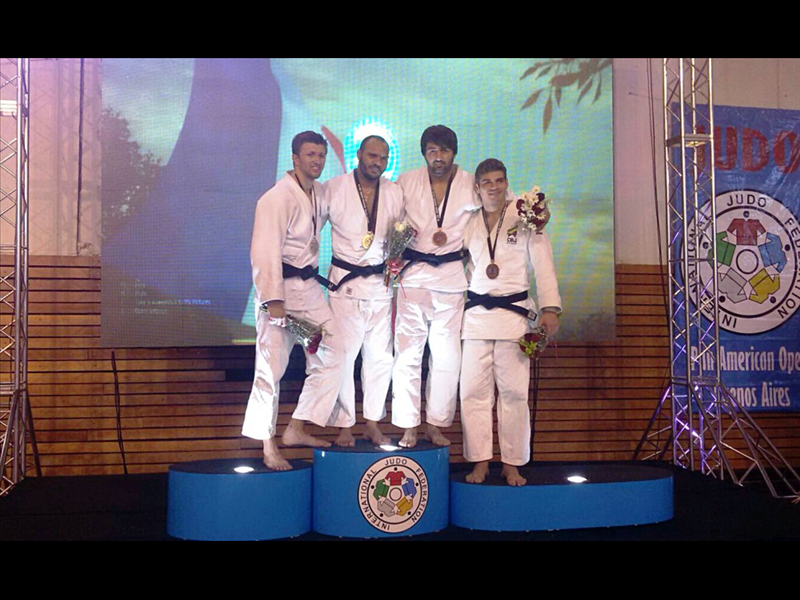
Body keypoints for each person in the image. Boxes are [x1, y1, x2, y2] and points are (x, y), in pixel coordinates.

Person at [242, 131, 344, 470]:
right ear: (295, 158)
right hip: (280, 292)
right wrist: (273, 300)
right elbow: (263, 250)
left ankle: (297, 426)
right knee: (270, 369)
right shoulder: (275, 198)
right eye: (310, 154)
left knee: (335, 351)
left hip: (309, 288)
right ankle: (267, 444)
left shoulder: (318, 193)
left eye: (321, 155)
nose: (317, 160)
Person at [460, 158, 561, 486]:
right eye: (487, 182)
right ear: (478, 188)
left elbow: (543, 263)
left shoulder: (526, 217)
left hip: (514, 316)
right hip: (476, 318)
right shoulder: (469, 222)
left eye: (499, 180)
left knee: (514, 393)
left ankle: (512, 463)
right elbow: (457, 267)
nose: (494, 187)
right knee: (472, 392)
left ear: (506, 183)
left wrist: (550, 308)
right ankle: (480, 461)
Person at [392, 125, 481, 448]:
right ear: (424, 153)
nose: (438, 157)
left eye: (444, 150)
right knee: (408, 354)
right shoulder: (406, 182)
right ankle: (408, 425)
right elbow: (389, 219)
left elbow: (503, 204)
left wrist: (534, 214)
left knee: (447, 357)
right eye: (432, 151)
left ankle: (435, 423)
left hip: (451, 279)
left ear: (454, 152)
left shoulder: (471, 183)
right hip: (413, 277)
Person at [321, 135, 405, 446]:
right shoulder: (334, 188)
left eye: (383, 158)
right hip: (345, 284)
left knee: (380, 359)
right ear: (358, 154)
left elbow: (401, 234)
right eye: (372, 156)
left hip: (380, 286)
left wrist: (397, 259)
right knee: (344, 357)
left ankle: (372, 422)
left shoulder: (394, 192)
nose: (377, 163)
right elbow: (312, 226)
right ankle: (344, 425)